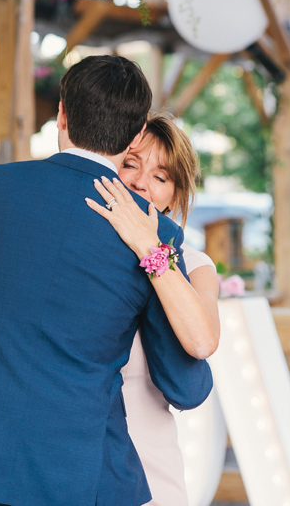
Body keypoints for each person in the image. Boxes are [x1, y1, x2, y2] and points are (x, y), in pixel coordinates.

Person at [0, 55, 213, 506]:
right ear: (135, 135)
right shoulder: (155, 235)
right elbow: (187, 386)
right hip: (79, 472)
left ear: (62, 114)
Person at [88, 112, 221, 505]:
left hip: (150, 467)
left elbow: (202, 341)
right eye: (130, 164)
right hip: (77, 461)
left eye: (161, 177)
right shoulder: (83, 258)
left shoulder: (194, 264)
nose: (141, 183)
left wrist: (151, 248)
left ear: (175, 195)